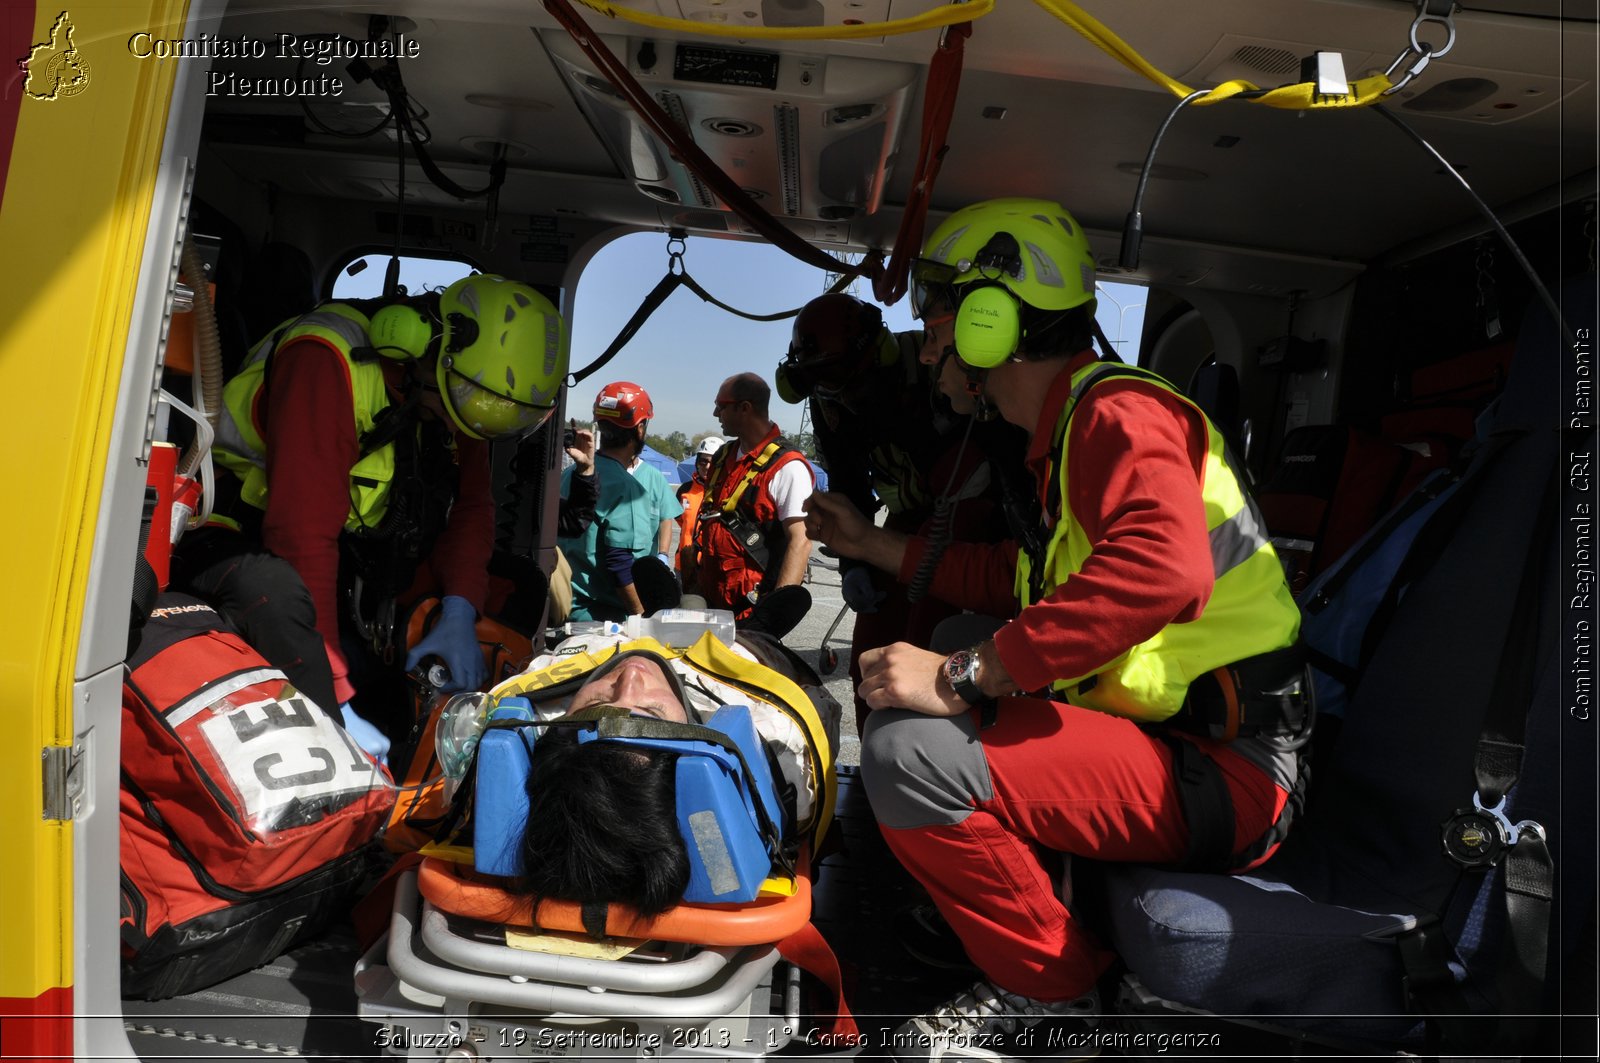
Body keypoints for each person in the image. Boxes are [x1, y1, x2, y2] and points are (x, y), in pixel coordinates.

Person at [803, 197, 1310, 1061]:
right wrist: (875, 545)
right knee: (957, 630)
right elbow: (1017, 583)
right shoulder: (1068, 432)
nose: (925, 342)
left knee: (906, 755)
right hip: (1181, 747)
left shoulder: (1117, 412)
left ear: (993, 321)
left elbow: (1162, 568)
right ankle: (1014, 906)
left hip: (1231, 772)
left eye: (939, 315)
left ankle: (1047, 987)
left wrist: (963, 676)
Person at [192, 273, 567, 751]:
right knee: (278, 596)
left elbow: (472, 508)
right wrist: (334, 703)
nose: (457, 426)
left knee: (517, 583)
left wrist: (460, 610)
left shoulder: (462, 388)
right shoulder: (326, 359)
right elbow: (301, 537)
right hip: (244, 533)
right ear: (423, 348)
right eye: (454, 410)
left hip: (359, 548)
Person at [780, 292, 1029, 734]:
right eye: (832, 389)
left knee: (928, 637)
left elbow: (997, 464)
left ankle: (922, 751)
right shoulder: (828, 397)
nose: (848, 399)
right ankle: (877, 758)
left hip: (967, 520)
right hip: (906, 519)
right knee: (870, 651)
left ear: (879, 355)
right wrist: (855, 564)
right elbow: (847, 478)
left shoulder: (940, 370)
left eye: (852, 384)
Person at [484, 626, 841, 924]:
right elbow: (824, 712)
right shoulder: (781, 745)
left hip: (617, 633)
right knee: (762, 631)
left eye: (594, 706)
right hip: (734, 651)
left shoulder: (534, 715)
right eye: (651, 710)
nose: (631, 677)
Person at [690, 372, 815, 638]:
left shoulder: (788, 467)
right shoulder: (723, 456)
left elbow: (800, 541)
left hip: (751, 615)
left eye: (721, 406)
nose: (715, 413)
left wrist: (771, 622)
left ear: (744, 408)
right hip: (711, 605)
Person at [558, 381, 683, 621]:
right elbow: (620, 565)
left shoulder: (571, 474)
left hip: (562, 606)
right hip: (601, 619)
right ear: (639, 428)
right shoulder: (628, 488)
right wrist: (641, 618)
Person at [674, 435, 723, 574]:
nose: (707, 467)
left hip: (713, 568)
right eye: (703, 461)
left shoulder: (726, 492)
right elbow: (681, 521)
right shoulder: (684, 490)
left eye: (713, 462)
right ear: (697, 462)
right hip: (684, 565)